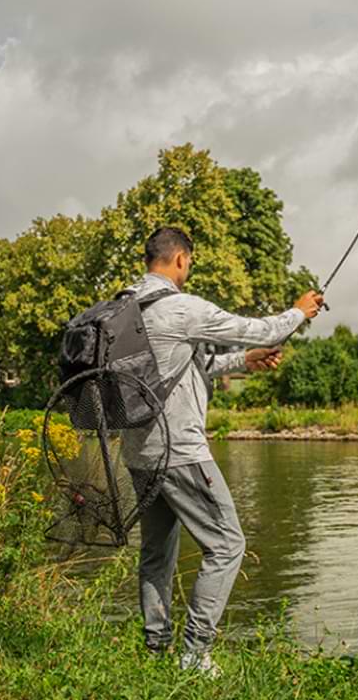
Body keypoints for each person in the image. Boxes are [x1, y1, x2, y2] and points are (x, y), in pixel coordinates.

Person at [122, 226, 323, 675]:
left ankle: (156, 650)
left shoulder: (126, 307)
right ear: (179, 260)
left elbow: (187, 365)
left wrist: (243, 361)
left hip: (138, 452)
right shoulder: (181, 308)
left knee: (156, 553)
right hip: (180, 452)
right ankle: (195, 655)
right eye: (189, 263)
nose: (188, 270)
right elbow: (257, 329)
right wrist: (299, 312)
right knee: (228, 544)